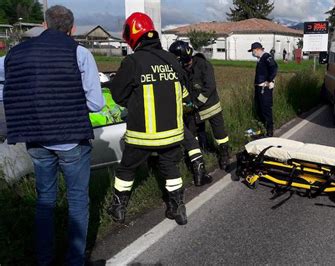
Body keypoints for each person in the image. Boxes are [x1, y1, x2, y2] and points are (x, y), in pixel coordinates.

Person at [3, 5, 104, 265]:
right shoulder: (79, 53)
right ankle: (75, 260)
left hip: (35, 137)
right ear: (72, 29)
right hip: (72, 139)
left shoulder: (15, 54)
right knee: (78, 200)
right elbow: (96, 103)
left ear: (45, 25)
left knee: (45, 200)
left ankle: (44, 259)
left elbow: (7, 91)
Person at [106, 12, 189, 225]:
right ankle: (178, 208)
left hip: (142, 135)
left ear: (133, 36)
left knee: (127, 169)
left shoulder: (133, 61)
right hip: (172, 133)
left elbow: (118, 95)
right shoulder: (172, 59)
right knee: (170, 167)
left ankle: (118, 208)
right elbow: (183, 91)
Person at [169, 40, 230, 171]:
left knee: (220, 134)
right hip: (193, 110)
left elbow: (210, 86)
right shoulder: (181, 69)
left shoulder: (203, 65)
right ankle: (196, 160)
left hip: (210, 107)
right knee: (192, 135)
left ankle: (224, 154)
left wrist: (197, 103)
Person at [248, 42, 278, 137]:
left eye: (252, 51)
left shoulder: (266, 57)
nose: (252, 53)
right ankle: (262, 129)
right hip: (259, 87)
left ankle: (269, 130)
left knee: (266, 109)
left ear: (257, 49)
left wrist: (269, 80)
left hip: (264, 88)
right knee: (259, 109)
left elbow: (274, 68)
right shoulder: (260, 59)